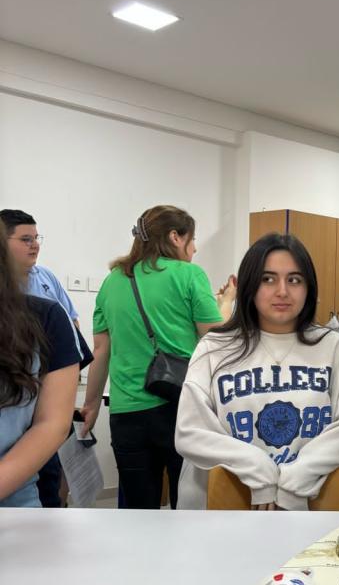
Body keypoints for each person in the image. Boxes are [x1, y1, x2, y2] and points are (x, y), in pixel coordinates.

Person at [175, 233, 339, 510]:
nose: (282, 291)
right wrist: (258, 470)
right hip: (223, 508)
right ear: (249, 285)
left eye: (294, 280)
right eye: (268, 279)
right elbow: (190, 432)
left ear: (309, 287)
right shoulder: (214, 348)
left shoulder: (332, 347)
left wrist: (293, 479)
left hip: (305, 507)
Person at [81, 205, 233, 510]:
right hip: (179, 406)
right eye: (192, 239)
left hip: (125, 413)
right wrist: (227, 301)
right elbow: (216, 337)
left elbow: (100, 351)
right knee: (186, 503)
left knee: (138, 510)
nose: (195, 248)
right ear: (175, 237)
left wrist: (91, 406)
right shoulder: (189, 274)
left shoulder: (113, 281)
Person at [1, 207, 93, 505]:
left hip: (17, 492)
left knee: (50, 478)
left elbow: (72, 327)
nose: (34, 245)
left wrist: (68, 397)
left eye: (35, 238)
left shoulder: (44, 303)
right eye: (25, 239)